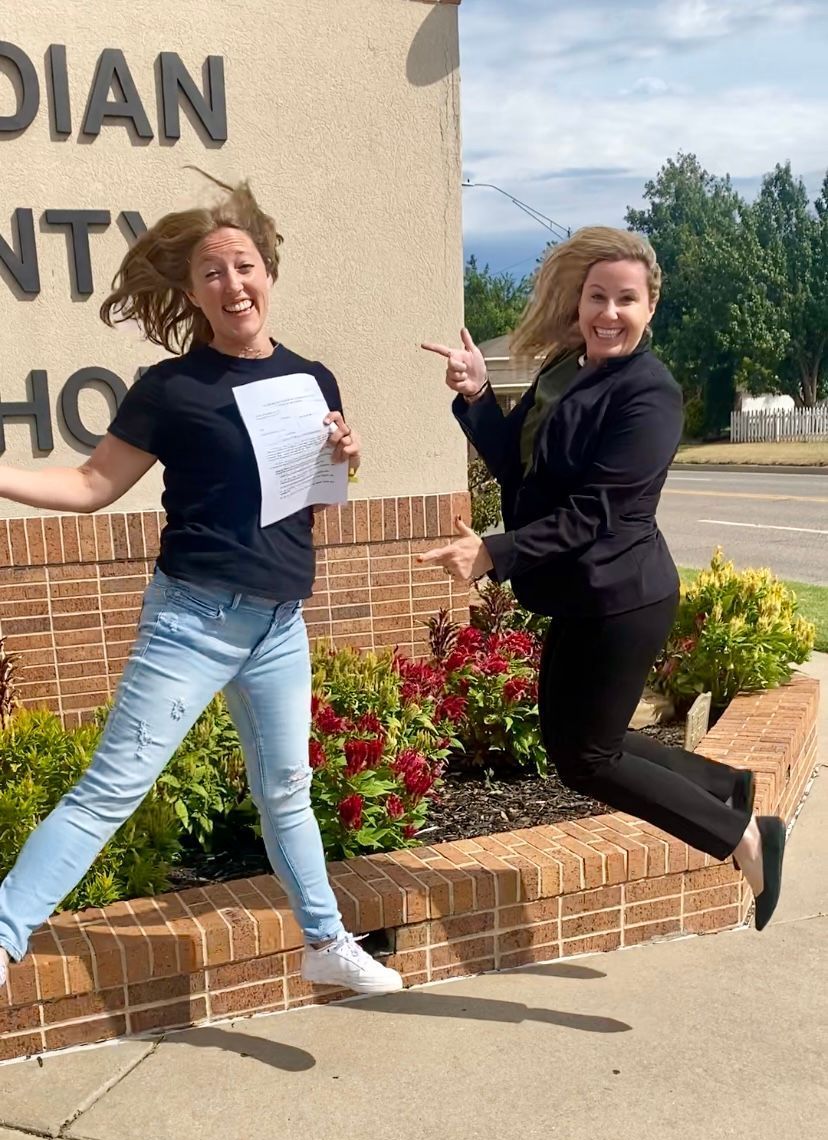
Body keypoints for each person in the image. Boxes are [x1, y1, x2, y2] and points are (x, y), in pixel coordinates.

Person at [0, 176, 403, 995]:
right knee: (112, 789)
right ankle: (3, 936)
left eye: (244, 266)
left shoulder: (312, 379)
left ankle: (324, 943)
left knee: (288, 790)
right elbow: (90, 485)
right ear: (193, 292)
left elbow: (306, 494)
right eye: (213, 273)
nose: (233, 285)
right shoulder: (171, 389)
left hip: (279, 622)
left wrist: (347, 460)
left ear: (269, 273)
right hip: (194, 618)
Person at [420, 226, 785, 932]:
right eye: (598, 296)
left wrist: (496, 552)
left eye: (626, 299)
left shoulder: (650, 395)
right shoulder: (566, 368)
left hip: (624, 597)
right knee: (577, 746)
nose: (609, 313)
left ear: (650, 309)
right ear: (579, 302)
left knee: (588, 758)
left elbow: (596, 513)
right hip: (583, 597)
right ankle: (723, 786)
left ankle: (743, 836)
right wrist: (475, 395)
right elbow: (520, 472)